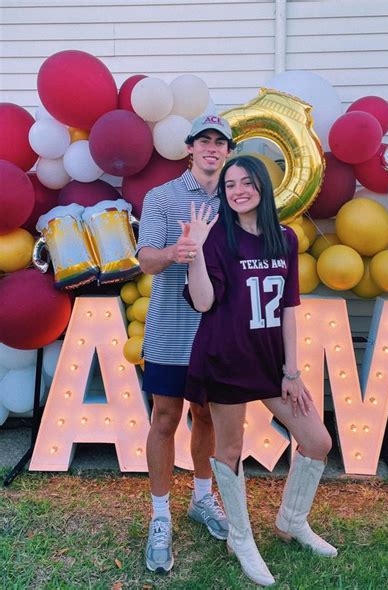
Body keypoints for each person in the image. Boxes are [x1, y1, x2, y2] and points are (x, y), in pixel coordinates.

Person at [182, 155, 337, 586]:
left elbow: (288, 307)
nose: (237, 191)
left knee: (316, 440)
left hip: (270, 363)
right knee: (230, 450)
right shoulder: (218, 238)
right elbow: (203, 302)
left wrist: (292, 370)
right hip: (226, 359)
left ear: (261, 188)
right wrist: (195, 251)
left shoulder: (283, 238)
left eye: (246, 183)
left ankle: (292, 522)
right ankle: (240, 537)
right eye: (229, 185)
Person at [137, 114, 236, 574]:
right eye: (204, 141)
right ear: (190, 148)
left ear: (228, 152)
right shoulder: (162, 197)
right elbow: (146, 261)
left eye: (221, 142)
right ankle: (160, 517)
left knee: (207, 415)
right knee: (165, 417)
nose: (212, 148)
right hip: (171, 331)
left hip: (219, 332)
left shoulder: (240, 196)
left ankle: (201, 498)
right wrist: (176, 252)